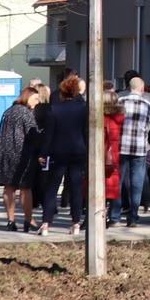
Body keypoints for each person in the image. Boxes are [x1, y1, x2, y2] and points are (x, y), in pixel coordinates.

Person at [35, 75, 88, 236]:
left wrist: (43, 153)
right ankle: (76, 223)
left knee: (52, 188)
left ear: (62, 92)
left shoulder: (55, 109)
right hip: (78, 151)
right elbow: (86, 133)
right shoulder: (83, 110)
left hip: (58, 152)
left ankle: (45, 224)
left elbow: (49, 134)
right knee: (76, 188)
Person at [0, 85, 42, 231]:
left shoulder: (8, 111)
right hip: (22, 154)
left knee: (9, 187)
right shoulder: (26, 113)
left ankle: (11, 220)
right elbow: (32, 135)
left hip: (5, 153)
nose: (37, 102)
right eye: (35, 99)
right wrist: (41, 134)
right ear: (27, 97)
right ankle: (29, 220)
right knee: (25, 188)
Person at [117, 73, 150, 228]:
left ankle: (114, 216)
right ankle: (133, 216)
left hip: (121, 146)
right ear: (142, 89)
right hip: (139, 147)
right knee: (137, 183)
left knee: (118, 181)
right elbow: (148, 125)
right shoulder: (147, 105)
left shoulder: (120, 102)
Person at [101, 90, 125, 225]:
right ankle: (113, 217)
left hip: (101, 155)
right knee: (113, 187)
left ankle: (100, 215)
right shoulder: (118, 118)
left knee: (99, 186)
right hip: (113, 155)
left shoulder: (100, 118)